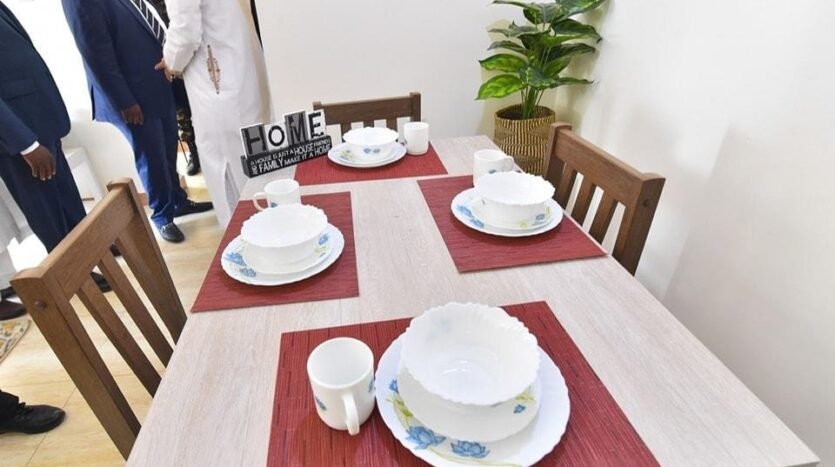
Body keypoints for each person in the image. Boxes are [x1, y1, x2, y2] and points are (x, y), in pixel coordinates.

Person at [62, 0, 213, 243]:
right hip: (133, 97)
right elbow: (96, 54)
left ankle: (178, 201)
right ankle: (162, 216)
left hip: (157, 83)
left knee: (167, 148)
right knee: (152, 158)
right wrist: (124, 102)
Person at [0, 2, 109, 292]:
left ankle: (90, 258)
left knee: (69, 203)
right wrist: (25, 144)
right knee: (48, 216)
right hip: (19, 140)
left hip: (41, 122)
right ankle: (72, 277)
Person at [158, 0, 272, 227]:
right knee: (253, 164)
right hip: (241, 71)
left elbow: (185, 32)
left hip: (218, 85)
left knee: (228, 170)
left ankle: (244, 237)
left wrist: (171, 61)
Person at [147, 0, 201, 176]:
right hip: (165, 60)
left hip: (188, 54)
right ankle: (194, 152)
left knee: (197, 107)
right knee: (181, 112)